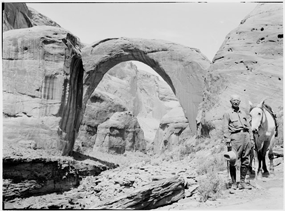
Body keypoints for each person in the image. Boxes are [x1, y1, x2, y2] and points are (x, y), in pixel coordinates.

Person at [223, 94, 254, 190]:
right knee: (233, 159)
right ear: (231, 102)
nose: (236, 102)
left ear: (239, 102)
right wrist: (227, 140)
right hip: (235, 137)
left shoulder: (243, 112)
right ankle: (233, 183)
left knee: (246, 159)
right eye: (234, 100)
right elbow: (225, 127)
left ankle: (242, 181)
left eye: (237, 100)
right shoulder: (227, 113)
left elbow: (248, 126)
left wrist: (251, 138)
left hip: (246, 136)